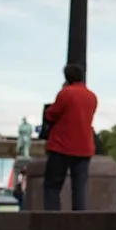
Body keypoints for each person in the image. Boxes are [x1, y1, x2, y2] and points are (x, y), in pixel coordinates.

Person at [43, 64, 98, 211]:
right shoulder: (91, 96)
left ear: (67, 77)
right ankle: (78, 219)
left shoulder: (66, 93)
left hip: (61, 145)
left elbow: (51, 114)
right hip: (84, 147)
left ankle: (52, 218)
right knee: (79, 187)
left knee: (53, 185)